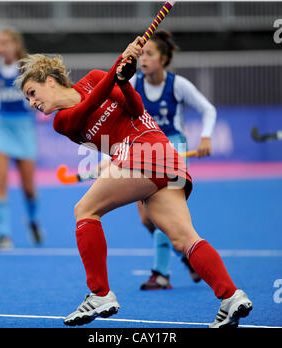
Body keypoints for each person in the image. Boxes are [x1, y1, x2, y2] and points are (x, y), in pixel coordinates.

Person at [17, 36, 252, 328]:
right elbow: (89, 106)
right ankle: (231, 295)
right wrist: (118, 70)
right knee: (183, 239)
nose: (32, 102)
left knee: (85, 210)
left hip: (150, 150)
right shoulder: (62, 121)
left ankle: (99, 293)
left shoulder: (93, 78)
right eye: (27, 99)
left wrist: (125, 82)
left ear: (50, 81)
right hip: (159, 159)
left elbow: (138, 109)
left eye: (32, 92)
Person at [129, 30, 217, 290]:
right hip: (144, 150)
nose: (143, 59)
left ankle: (161, 274)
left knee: (162, 213)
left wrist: (206, 138)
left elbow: (208, 109)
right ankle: (187, 255)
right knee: (147, 219)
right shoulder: (133, 82)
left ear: (164, 59)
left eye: (150, 54)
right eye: (141, 54)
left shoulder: (178, 85)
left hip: (174, 149)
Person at [0, 29, 43, 249]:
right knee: (0, 182)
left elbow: (40, 99)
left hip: (24, 128)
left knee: (28, 188)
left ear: (16, 44)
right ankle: (3, 235)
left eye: (6, 43)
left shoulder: (28, 68)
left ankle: (33, 221)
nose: (2, 48)